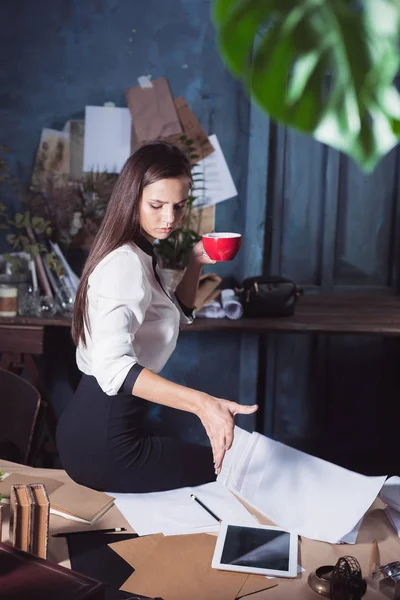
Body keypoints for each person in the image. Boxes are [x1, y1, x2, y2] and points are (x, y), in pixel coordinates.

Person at [56, 142, 258, 493]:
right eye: (157, 205)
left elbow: (172, 316)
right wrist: (203, 406)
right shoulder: (125, 263)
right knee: (235, 476)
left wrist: (196, 261)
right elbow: (113, 368)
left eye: (179, 206)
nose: (170, 218)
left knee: (231, 471)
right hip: (104, 443)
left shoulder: (142, 251)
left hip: (103, 429)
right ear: (131, 198)